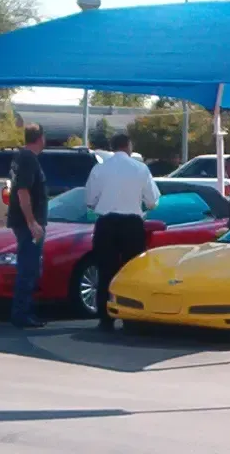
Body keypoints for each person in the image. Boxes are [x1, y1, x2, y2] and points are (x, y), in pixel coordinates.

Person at [85, 133, 160, 330]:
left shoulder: (100, 169)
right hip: (131, 224)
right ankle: (130, 316)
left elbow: (90, 200)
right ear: (128, 146)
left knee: (105, 270)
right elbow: (152, 201)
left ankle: (105, 317)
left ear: (112, 147)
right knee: (131, 271)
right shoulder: (141, 168)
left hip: (106, 223)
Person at [7, 123, 48, 328]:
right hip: (27, 224)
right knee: (28, 267)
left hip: (24, 222)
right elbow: (23, 192)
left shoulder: (21, 157)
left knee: (30, 267)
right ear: (40, 138)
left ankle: (26, 311)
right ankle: (22, 314)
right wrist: (32, 222)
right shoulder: (28, 159)